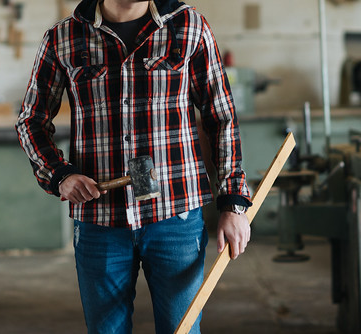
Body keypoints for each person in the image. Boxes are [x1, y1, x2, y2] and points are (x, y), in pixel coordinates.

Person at [16, 0, 252, 332]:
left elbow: (221, 118)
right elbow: (31, 121)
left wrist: (233, 202)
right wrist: (59, 175)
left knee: (181, 329)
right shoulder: (64, 38)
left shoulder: (189, 27)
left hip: (176, 216)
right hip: (101, 220)